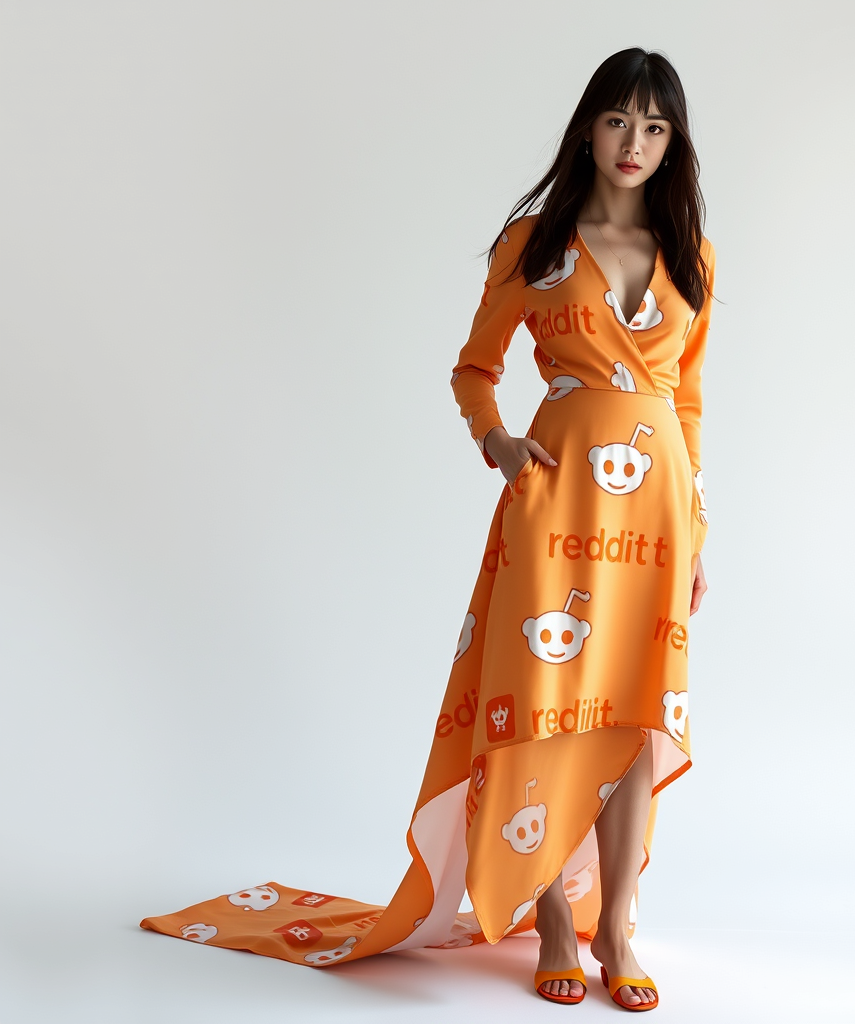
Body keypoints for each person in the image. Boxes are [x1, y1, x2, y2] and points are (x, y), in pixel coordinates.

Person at [140, 46, 716, 1014]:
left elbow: (689, 403)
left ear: (673, 143)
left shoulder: (689, 253)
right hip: (558, 501)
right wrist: (495, 442)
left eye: (655, 127)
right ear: (588, 125)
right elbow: (473, 369)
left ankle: (617, 922)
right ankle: (557, 922)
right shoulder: (534, 243)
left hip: (654, 516)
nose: (635, 143)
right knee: (545, 705)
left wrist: (696, 527)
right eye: (620, 120)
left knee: (630, 715)